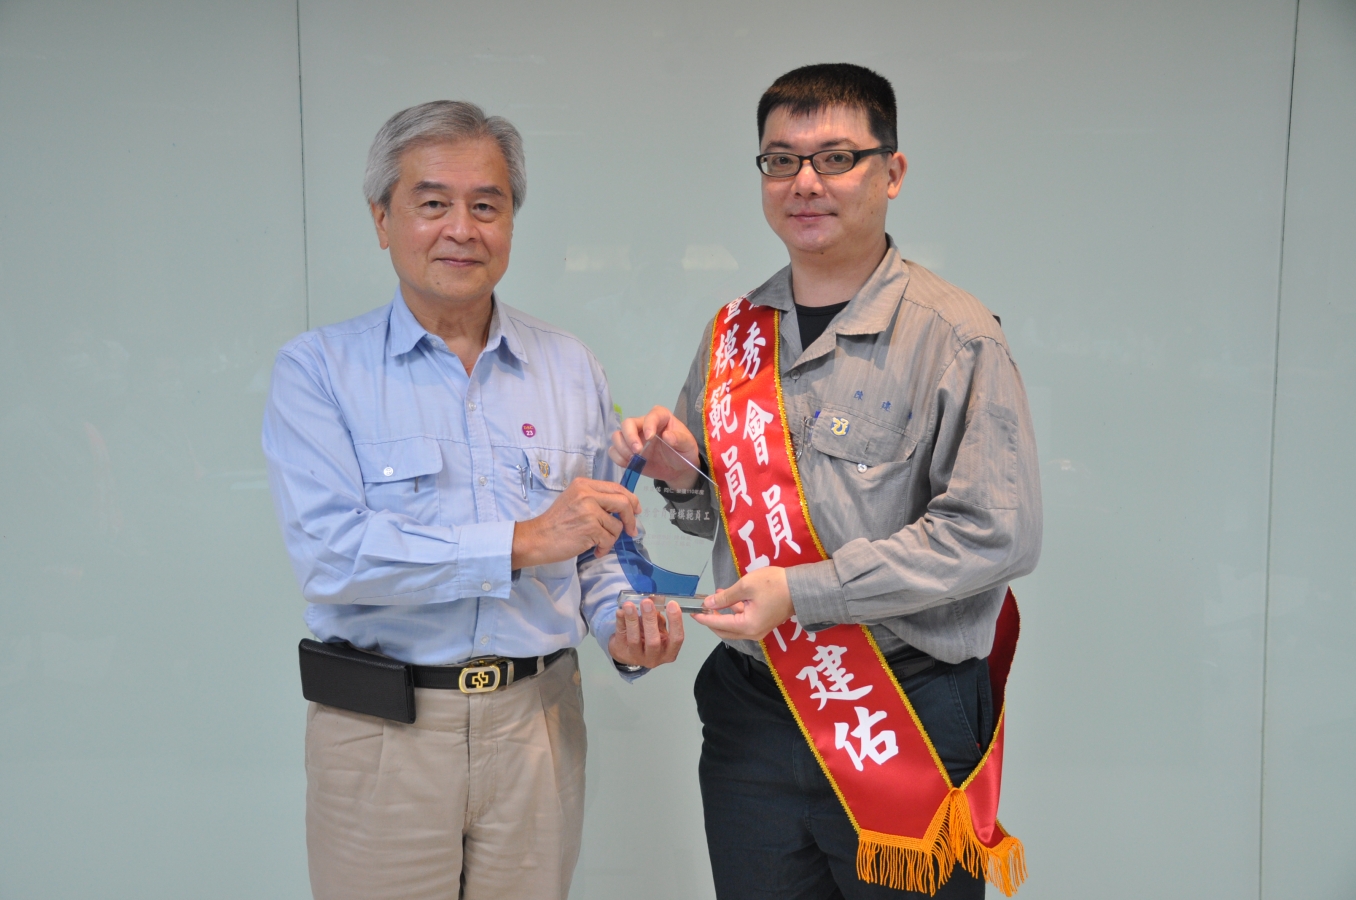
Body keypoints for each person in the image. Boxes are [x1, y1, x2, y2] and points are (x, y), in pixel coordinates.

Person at [611, 64, 1042, 898]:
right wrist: (680, 474)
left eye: (836, 158)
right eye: (781, 161)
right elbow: (717, 516)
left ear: (892, 171)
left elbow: (995, 533)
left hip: (900, 710)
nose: (804, 182)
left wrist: (804, 592)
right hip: (753, 715)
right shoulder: (735, 331)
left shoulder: (955, 336)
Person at [263, 100, 685, 900]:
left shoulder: (570, 366)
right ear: (382, 219)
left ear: (511, 222)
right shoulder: (318, 371)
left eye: (486, 206)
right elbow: (331, 557)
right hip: (383, 734)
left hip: (539, 724)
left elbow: (600, 546)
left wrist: (626, 627)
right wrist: (522, 541)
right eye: (433, 203)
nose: (461, 229)